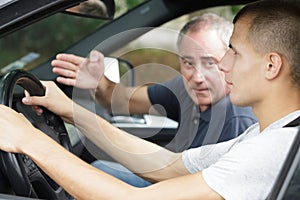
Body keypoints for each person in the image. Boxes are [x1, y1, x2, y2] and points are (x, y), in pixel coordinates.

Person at [0, 0, 299, 199]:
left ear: (271, 65)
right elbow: (168, 165)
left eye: (234, 52)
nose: (223, 65)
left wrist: (29, 140)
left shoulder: (274, 152)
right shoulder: (268, 135)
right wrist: (70, 110)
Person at [51, 13, 257, 153]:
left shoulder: (236, 120)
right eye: (188, 62)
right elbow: (122, 101)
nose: (197, 77)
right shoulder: (184, 89)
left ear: (231, 60)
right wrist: (99, 82)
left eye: (210, 62)